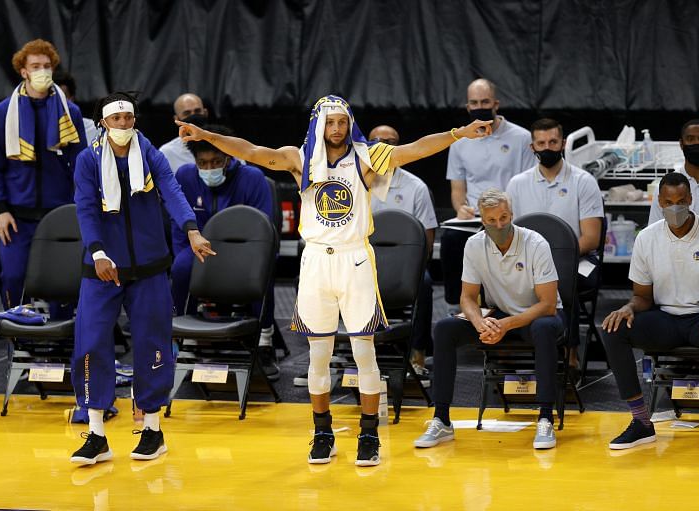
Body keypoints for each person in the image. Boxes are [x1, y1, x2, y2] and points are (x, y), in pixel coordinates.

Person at [176, 94, 492, 466]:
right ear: (319, 124)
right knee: (319, 356)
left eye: (343, 121)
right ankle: (322, 431)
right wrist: (205, 135)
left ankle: (369, 433)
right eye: (331, 122)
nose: (338, 129)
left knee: (363, 352)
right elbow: (251, 151)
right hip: (315, 263)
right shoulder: (300, 158)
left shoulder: (366, 156)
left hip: (354, 260)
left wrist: (459, 133)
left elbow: (417, 149)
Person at [69, 92, 215, 465]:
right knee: (90, 343)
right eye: (115, 120)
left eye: (128, 119)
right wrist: (98, 251)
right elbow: (85, 209)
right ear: (103, 123)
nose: (122, 125)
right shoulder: (88, 160)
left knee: (153, 345)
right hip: (102, 268)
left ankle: (152, 429)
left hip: (149, 267)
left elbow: (172, 191)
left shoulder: (150, 155)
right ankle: (97, 434)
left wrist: (192, 229)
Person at [601, 172, 699, 451]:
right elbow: (642, 296)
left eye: (681, 201)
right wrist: (628, 308)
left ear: (691, 199)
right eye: (669, 202)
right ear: (659, 202)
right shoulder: (647, 238)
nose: (675, 208)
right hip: (665, 319)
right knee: (613, 328)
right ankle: (641, 421)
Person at [414, 189, 565, 450]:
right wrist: (480, 323)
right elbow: (468, 298)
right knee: (444, 329)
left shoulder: (536, 243)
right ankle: (441, 418)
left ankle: (545, 417)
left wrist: (506, 325)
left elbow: (548, 304)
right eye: (492, 220)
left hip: (537, 316)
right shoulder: (474, 245)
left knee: (543, 329)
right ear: (482, 221)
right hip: (498, 315)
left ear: (512, 215)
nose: (499, 225)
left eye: (504, 218)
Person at [0, 39, 87, 312]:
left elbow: (81, 165)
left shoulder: (70, 112)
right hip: (17, 216)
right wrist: (0, 209)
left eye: (47, 66)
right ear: (23, 71)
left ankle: (61, 342)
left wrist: (82, 206)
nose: (43, 71)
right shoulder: (3, 112)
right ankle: (16, 337)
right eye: (35, 66)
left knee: (62, 285)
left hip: (59, 212)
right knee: (13, 277)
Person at [170, 123, 280, 379]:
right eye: (203, 163)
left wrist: (247, 262)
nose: (210, 168)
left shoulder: (252, 178)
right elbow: (178, 226)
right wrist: (184, 253)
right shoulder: (185, 176)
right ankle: (187, 338)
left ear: (229, 157)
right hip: (202, 251)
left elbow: (264, 231)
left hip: (246, 254)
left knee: (263, 273)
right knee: (181, 267)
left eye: (216, 161)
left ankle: (265, 341)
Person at [506, 118, 603, 366]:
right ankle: (509, 353)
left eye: (553, 141)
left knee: (561, 279)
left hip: (579, 260)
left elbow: (591, 239)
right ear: (532, 147)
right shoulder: (517, 184)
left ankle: (570, 353)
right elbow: (509, 233)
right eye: (541, 143)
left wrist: (552, 259)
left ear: (563, 143)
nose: (547, 147)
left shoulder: (584, 181)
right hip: (528, 262)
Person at [440, 78, 536, 313]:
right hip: (475, 217)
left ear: (496, 104)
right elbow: (457, 191)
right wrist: (461, 208)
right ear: (468, 107)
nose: (480, 106)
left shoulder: (521, 138)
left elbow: (528, 184)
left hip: (508, 216)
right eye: (474, 102)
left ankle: (500, 305)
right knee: (451, 239)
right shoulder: (459, 142)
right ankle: (461, 304)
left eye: (485, 101)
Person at [368, 124, 438, 374]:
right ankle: (328, 356)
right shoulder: (354, 183)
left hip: (404, 269)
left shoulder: (416, 187)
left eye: (391, 141)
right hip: (363, 264)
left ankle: (417, 354)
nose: (384, 145)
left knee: (424, 281)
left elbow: (427, 242)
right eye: (377, 140)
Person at [160, 93, 209, 172]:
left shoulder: (222, 143)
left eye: (197, 111)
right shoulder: (167, 153)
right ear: (177, 119)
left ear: (205, 113)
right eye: (187, 113)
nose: (193, 116)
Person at [53, 69, 100, 143]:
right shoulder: (40, 130)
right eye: (54, 98)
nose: (59, 104)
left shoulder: (95, 130)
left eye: (63, 98)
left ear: (72, 98)